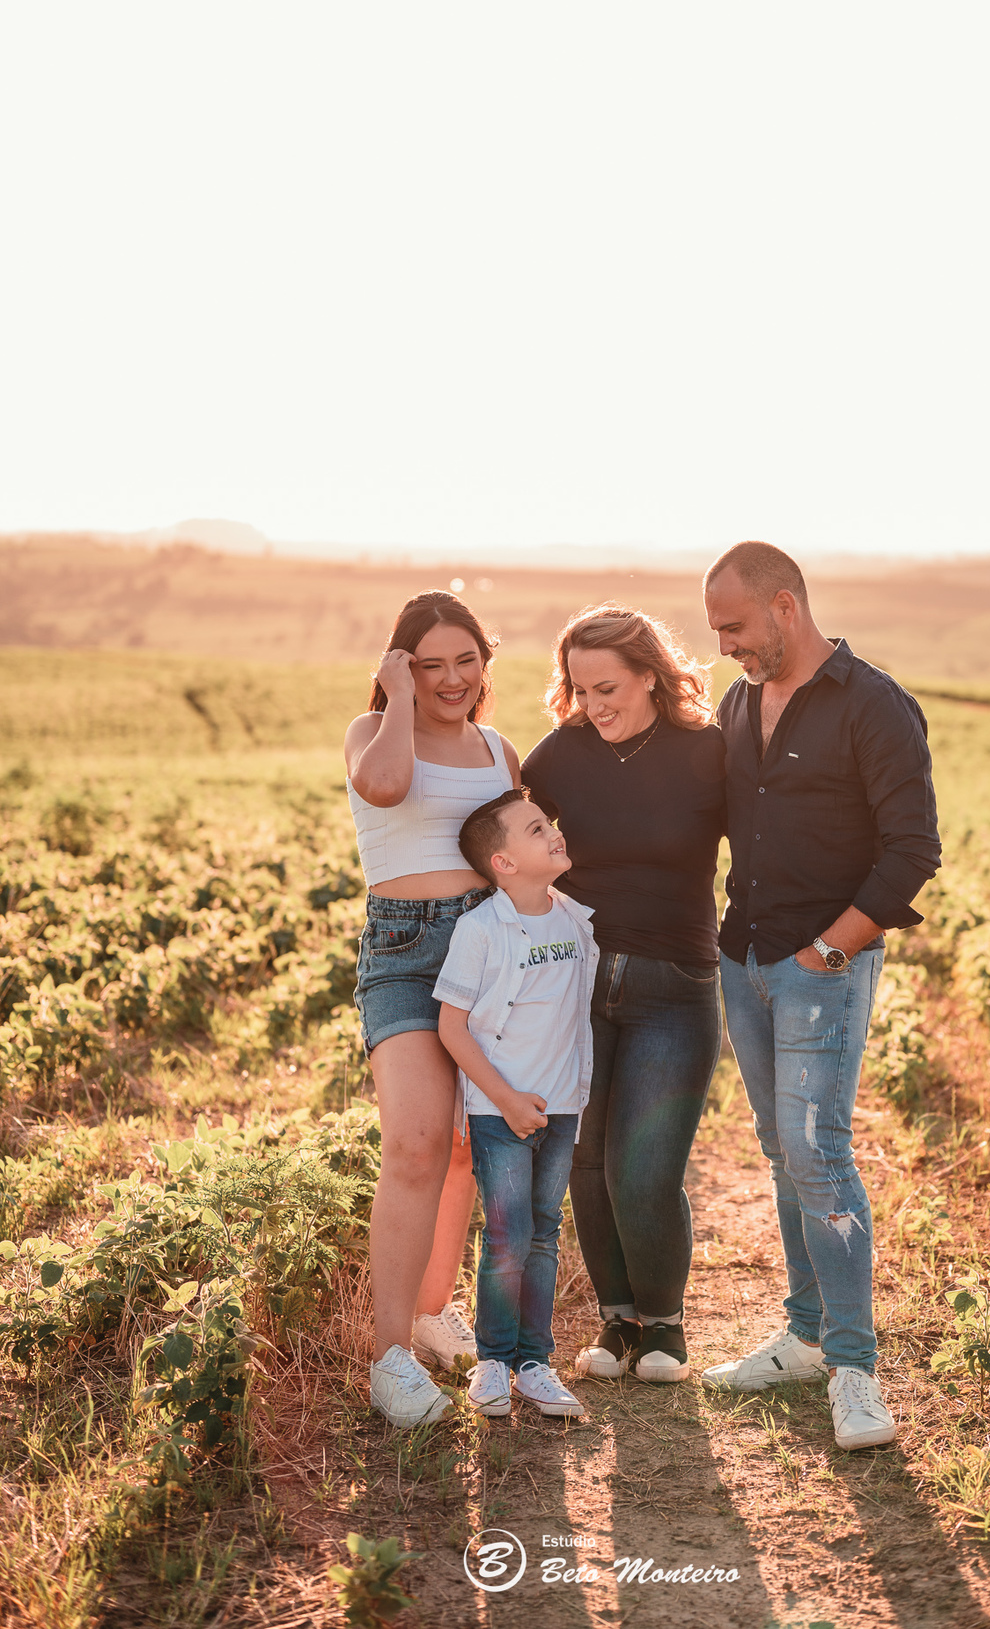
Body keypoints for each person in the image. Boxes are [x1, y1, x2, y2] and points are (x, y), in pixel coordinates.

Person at [700, 541, 940, 1451]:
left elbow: (912, 851)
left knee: (819, 1151)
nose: (722, 642)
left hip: (821, 970)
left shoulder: (873, 705)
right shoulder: (736, 702)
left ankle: (854, 1368)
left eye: (733, 624)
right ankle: (804, 1336)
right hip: (745, 960)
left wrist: (824, 954)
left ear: (785, 607)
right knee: (779, 1150)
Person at [522, 606, 725, 1384]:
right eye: (577, 689)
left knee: (644, 1168)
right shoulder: (565, 752)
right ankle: (617, 1319)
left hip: (675, 986)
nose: (592, 704)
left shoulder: (708, 753)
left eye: (606, 687)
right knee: (584, 1158)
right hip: (575, 983)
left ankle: (665, 1325)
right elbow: (502, 828)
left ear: (651, 674)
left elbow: (765, 845)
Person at [344, 591, 521, 1428]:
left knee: (460, 1149)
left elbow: (514, 856)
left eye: (466, 660)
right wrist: (398, 699)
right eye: (429, 664)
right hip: (406, 952)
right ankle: (390, 1357)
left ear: (485, 661)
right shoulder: (373, 735)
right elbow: (384, 788)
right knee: (414, 1141)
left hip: (485, 953)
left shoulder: (497, 748)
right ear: (401, 668)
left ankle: (431, 1308)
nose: (452, 678)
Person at [435, 789, 598, 1419]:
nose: (553, 832)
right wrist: (503, 1100)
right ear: (503, 863)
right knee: (506, 1236)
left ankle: (536, 1363)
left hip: (559, 1108)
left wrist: (557, 1101)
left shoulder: (574, 922)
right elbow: (453, 1027)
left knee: (544, 1232)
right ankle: (494, 1361)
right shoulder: (481, 931)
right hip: (498, 1112)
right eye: (536, 830)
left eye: (549, 824)